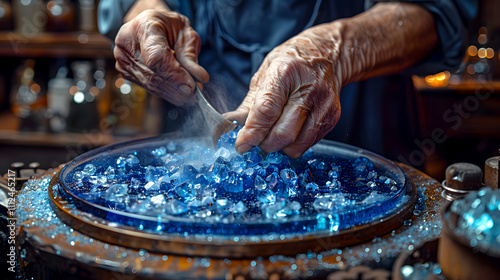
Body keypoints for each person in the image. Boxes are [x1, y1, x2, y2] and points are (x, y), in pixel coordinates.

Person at [98, 0, 477, 164]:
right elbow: (132, 5)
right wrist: (150, 18)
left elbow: (438, 13)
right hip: (194, 173)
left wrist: (334, 50)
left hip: (368, 138)